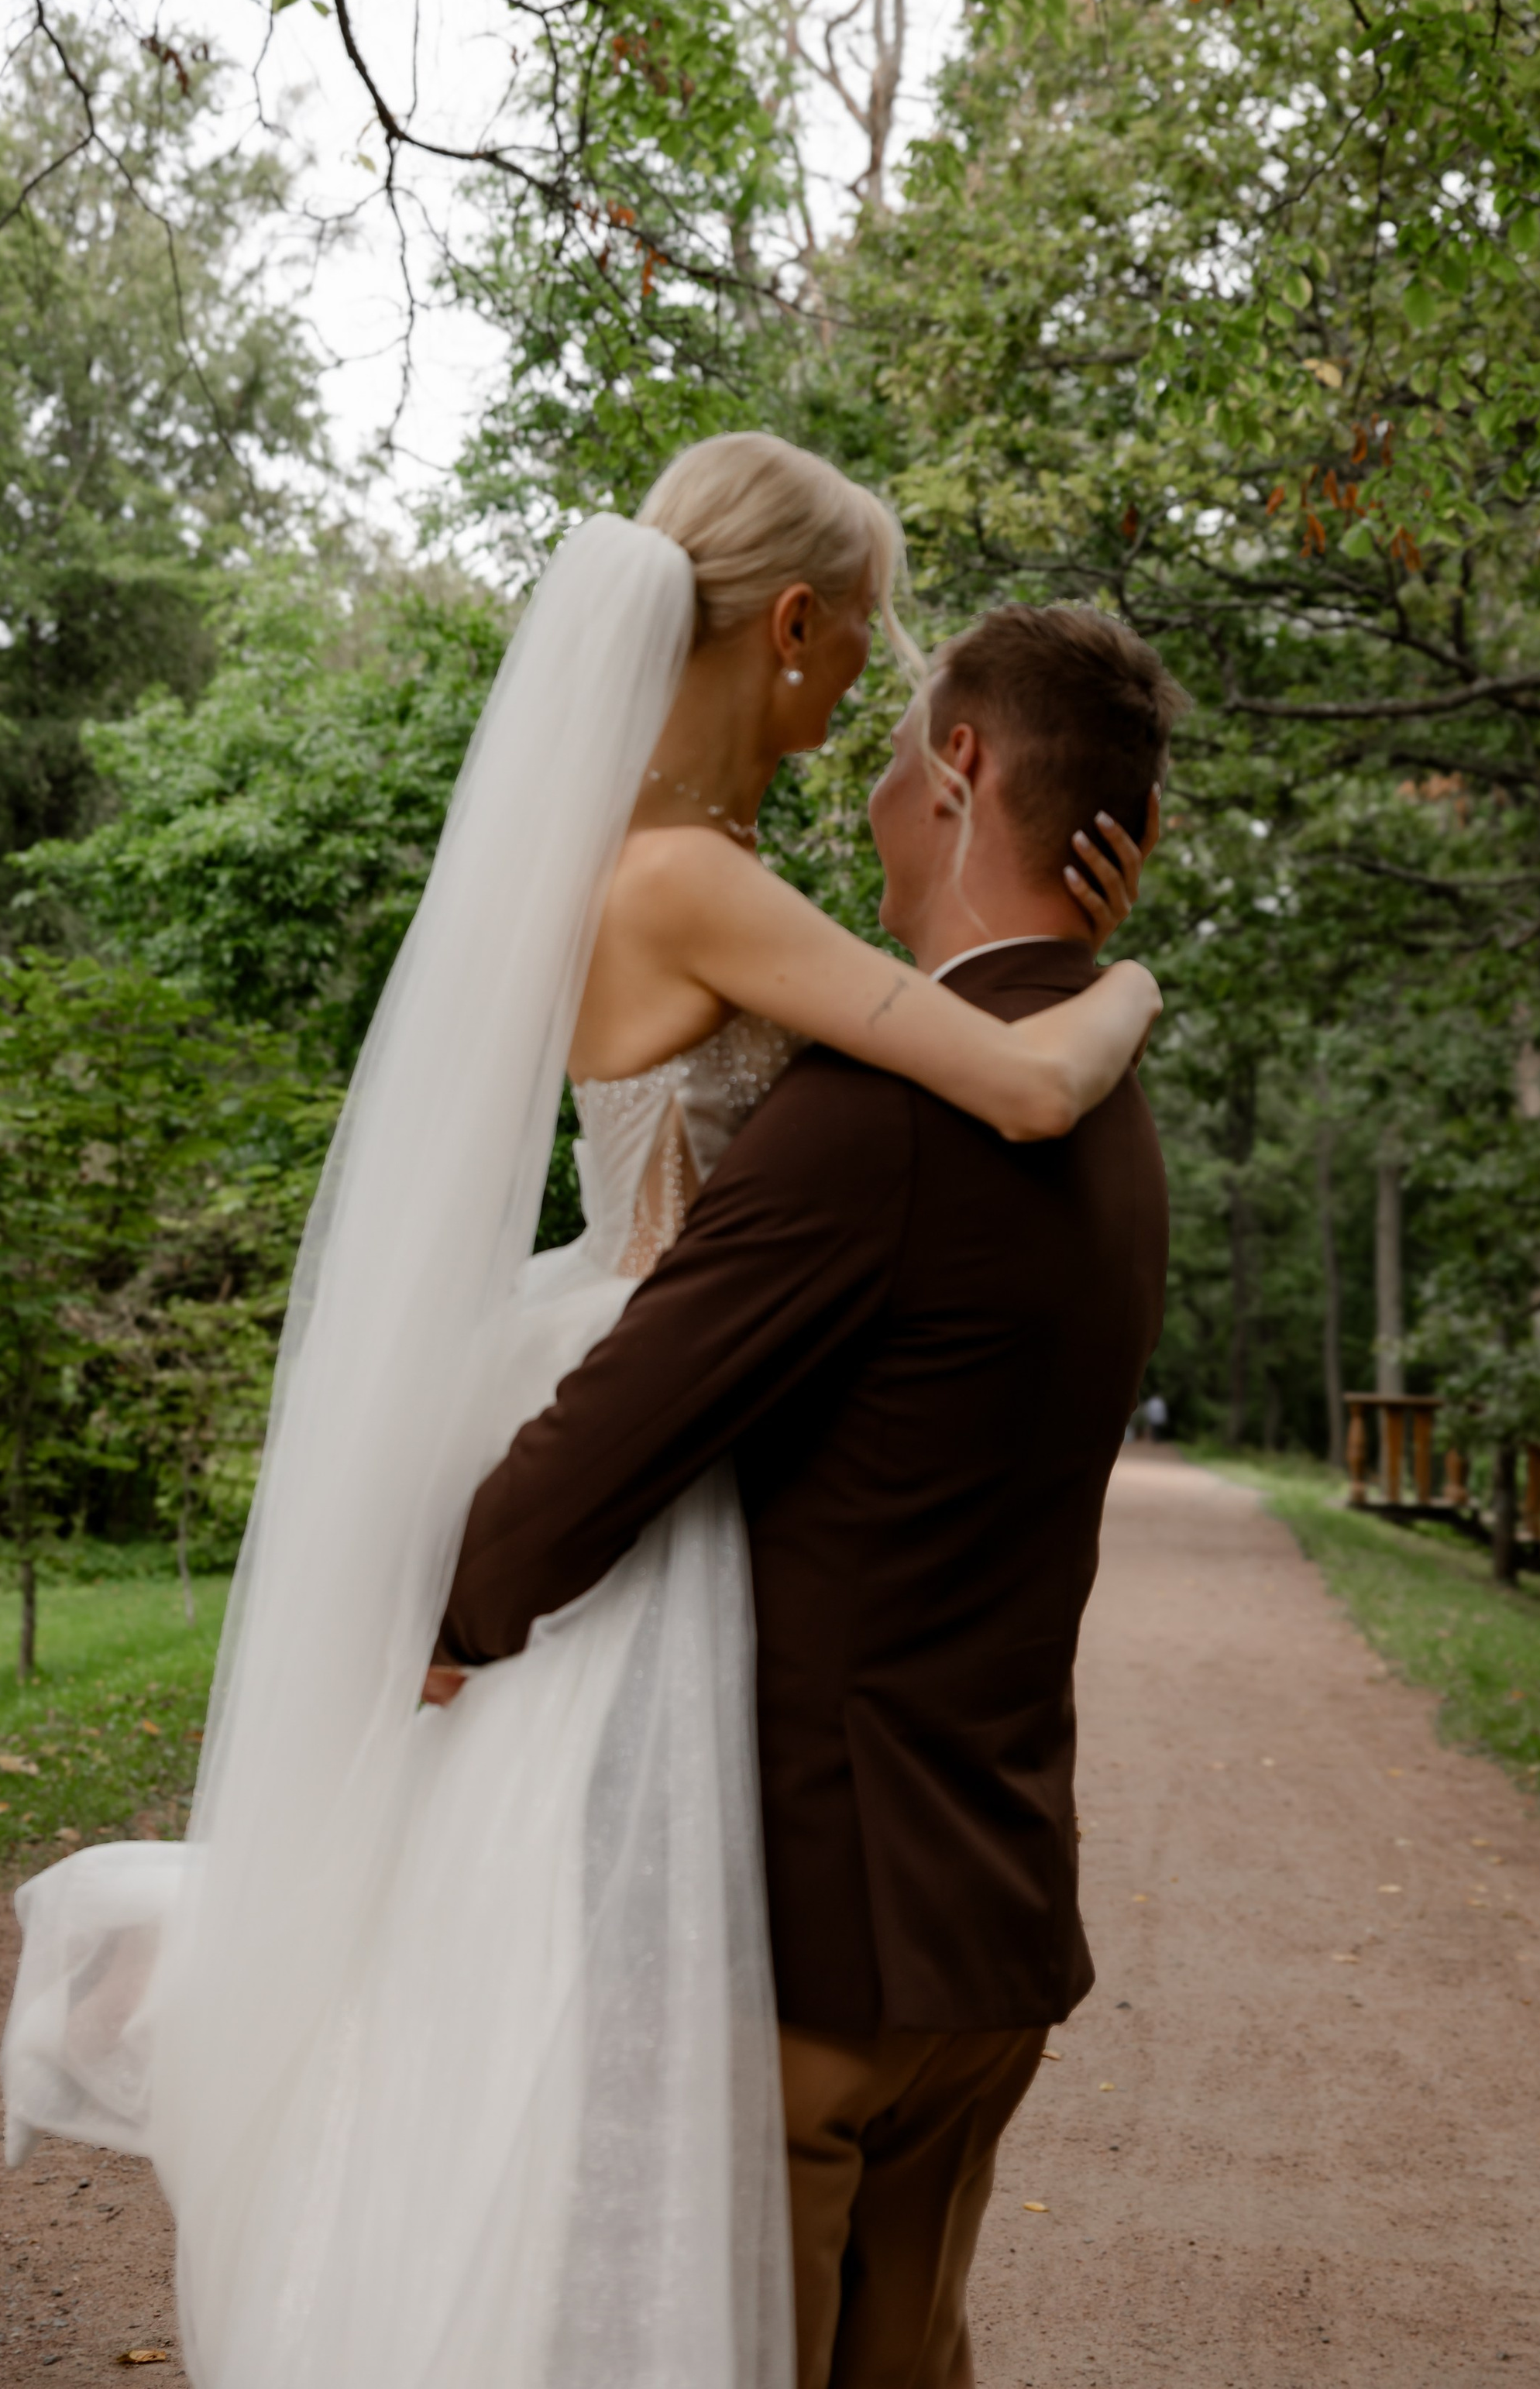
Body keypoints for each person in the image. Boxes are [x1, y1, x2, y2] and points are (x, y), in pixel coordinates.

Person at [0, 435, 1160, 2389]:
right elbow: (1019, 1084)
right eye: (856, 643)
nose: (864, 702)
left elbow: (926, 1074)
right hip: (674, 1413)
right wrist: (1114, 993)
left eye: (899, 690)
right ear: (786, 624)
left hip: (666, 1395)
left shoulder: (678, 872)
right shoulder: (698, 889)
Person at [441, 595, 1182, 2389]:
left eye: (894, 739)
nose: (860, 788)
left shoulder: (871, 1120)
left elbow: (606, 1443)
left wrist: (443, 1618)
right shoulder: (1108, 1101)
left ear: (960, 766)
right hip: (987, 1928)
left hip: (812, 1947)